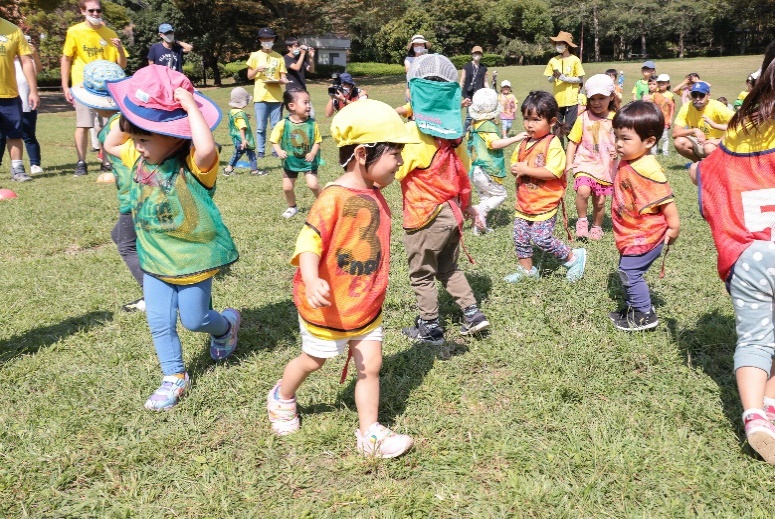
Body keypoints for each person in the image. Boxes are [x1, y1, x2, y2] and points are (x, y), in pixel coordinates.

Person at [266, 99, 417, 458]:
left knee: (371, 366)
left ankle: (370, 433)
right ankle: (282, 397)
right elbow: (309, 241)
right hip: (329, 305)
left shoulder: (375, 193)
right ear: (364, 154)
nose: (399, 161)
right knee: (313, 360)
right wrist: (311, 278)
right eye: (394, 154)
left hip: (364, 304)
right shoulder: (333, 198)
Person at [103, 65, 241, 411]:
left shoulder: (195, 165)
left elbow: (206, 147)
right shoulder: (139, 155)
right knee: (160, 323)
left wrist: (191, 108)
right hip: (154, 261)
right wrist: (134, 112)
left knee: (195, 320)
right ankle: (174, 377)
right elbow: (110, 143)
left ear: (174, 136)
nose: (138, 146)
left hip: (193, 259)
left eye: (145, 139)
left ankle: (226, 325)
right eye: (137, 139)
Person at [692, 41, 775, 464]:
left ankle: (755, 415)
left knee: (757, 339)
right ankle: (772, 406)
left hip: (750, 254)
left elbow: (710, 175)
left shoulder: (743, 125)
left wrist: (694, 167)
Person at [398, 53, 490, 343]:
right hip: (452, 214)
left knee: (422, 274)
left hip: (424, 217)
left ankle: (430, 326)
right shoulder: (454, 137)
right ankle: (473, 314)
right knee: (449, 267)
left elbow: (396, 171)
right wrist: (468, 207)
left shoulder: (412, 134)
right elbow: (462, 175)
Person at [73, 60, 144, 311]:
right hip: (141, 192)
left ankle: (153, 296)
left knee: (126, 245)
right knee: (120, 236)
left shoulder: (116, 124)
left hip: (134, 196)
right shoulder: (122, 118)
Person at [609, 101, 680, 331]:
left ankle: (644, 314)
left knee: (630, 272)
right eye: (616, 137)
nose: (619, 144)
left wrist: (674, 227)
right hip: (632, 233)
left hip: (646, 235)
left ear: (649, 142)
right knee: (627, 270)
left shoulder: (648, 168)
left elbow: (665, 199)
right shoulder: (631, 159)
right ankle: (633, 307)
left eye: (625, 139)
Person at [505, 90, 587, 283]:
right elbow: (515, 163)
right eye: (526, 119)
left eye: (535, 119)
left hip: (545, 202)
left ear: (551, 122)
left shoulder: (553, 144)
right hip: (525, 202)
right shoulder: (524, 143)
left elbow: (553, 172)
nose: (529, 124)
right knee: (520, 237)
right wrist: (516, 169)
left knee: (541, 238)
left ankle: (573, 258)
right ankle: (527, 270)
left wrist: (526, 170)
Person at [61, 0, 127, 177]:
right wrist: (65, 86)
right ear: (83, 11)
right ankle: (81, 162)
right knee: (83, 125)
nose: (96, 13)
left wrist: (119, 50)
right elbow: (66, 59)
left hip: (105, 89)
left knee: (108, 125)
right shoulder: (74, 31)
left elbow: (121, 65)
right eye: (91, 10)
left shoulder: (110, 33)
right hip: (82, 86)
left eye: (99, 10)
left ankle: (106, 161)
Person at [566, 74, 619, 241]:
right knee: (583, 190)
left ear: (611, 97)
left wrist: (618, 150)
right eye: (593, 98)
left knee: (600, 201)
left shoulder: (616, 119)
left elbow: (622, 140)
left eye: (601, 98)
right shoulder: (583, 117)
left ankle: (596, 226)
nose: (596, 102)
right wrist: (569, 163)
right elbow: (573, 142)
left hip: (604, 166)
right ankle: (582, 221)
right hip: (585, 162)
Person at [467, 88, 523, 234]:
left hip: (475, 170)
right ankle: (479, 211)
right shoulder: (488, 126)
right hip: (485, 169)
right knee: (501, 195)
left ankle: (479, 228)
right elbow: (494, 144)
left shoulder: (474, 124)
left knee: (485, 198)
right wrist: (516, 138)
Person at [270, 88, 322, 218]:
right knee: (287, 188)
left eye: (309, 102)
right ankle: (292, 207)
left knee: (313, 184)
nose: (309, 106)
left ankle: (324, 204)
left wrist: (313, 153)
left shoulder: (312, 124)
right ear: (291, 106)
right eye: (305, 102)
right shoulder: (283, 124)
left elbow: (317, 141)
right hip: (290, 162)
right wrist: (279, 151)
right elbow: (274, 140)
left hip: (308, 162)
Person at [0, 18, 39, 182]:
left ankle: (18, 170)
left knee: (15, 134)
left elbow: (26, 61)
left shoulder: (13, 30)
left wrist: (33, 90)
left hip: (9, 93)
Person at [246, 27, 287, 159]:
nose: (267, 41)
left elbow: (283, 77)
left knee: (275, 126)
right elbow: (249, 76)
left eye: (269, 39)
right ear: (260, 41)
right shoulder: (255, 55)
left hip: (276, 97)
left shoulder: (279, 57)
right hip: (260, 96)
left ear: (274, 40)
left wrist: (281, 80)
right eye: (264, 39)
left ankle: (276, 150)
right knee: (260, 127)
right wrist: (257, 69)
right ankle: (261, 150)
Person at [672, 81, 734, 161]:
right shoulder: (686, 107)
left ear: (708, 96)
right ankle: (698, 163)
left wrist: (719, 140)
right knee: (679, 142)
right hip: (699, 141)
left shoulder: (717, 106)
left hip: (716, 142)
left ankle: (716, 166)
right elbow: (675, 133)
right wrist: (694, 130)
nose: (697, 99)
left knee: (709, 148)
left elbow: (738, 124)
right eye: (694, 95)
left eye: (701, 95)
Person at [543, 31, 584, 138]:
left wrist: (566, 79)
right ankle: (559, 151)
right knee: (557, 128)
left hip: (571, 99)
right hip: (557, 99)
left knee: (570, 127)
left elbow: (580, 79)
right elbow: (549, 80)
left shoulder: (575, 60)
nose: (558, 45)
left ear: (567, 45)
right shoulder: (553, 60)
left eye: (561, 43)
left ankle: (572, 151)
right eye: (557, 43)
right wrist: (553, 76)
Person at [224, 86, 260, 176]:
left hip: (237, 138)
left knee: (237, 153)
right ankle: (254, 170)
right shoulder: (240, 114)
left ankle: (228, 169)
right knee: (251, 153)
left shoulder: (233, 112)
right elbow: (242, 127)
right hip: (243, 139)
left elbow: (235, 121)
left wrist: (245, 117)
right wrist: (244, 140)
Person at [460, 45, 488, 128]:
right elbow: (462, 80)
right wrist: (458, 92)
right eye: (475, 53)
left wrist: (490, 92)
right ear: (472, 54)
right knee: (469, 116)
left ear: (481, 55)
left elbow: (485, 81)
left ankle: (475, 130)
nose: (477, 55)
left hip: (480, 95)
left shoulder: (484, 68)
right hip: (468, 95)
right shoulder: (466, 66)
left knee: (480, 115)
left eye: (479, 53)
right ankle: (464, 133)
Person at [652, 73, 675, 155]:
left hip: (665, 119)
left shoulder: (670, 95)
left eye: (664, 83)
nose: (661, 84)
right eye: (660, 82)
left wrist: (671, 118)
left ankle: (665, 151)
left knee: (664, 137)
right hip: (656, 119)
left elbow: (672, 107)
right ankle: (654, 151)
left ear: (668, 84)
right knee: (655, 136)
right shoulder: (655, 94)